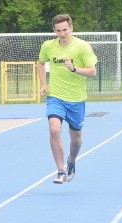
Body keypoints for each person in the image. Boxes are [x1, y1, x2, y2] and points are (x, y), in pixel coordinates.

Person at [37, 14, 99, 184]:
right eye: (58, 30)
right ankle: (60, 170)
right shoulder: (48, 46)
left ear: (71, 28)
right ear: (54, 30)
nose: (62, 33)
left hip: (76, 99)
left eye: (65, 30)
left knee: (76, 139)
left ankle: (71, 161)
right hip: (55, 96)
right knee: (54, 129)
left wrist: (74, 69)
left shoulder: (82, 47)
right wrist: (43, 84)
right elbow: (41, 63)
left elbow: (93, 72)